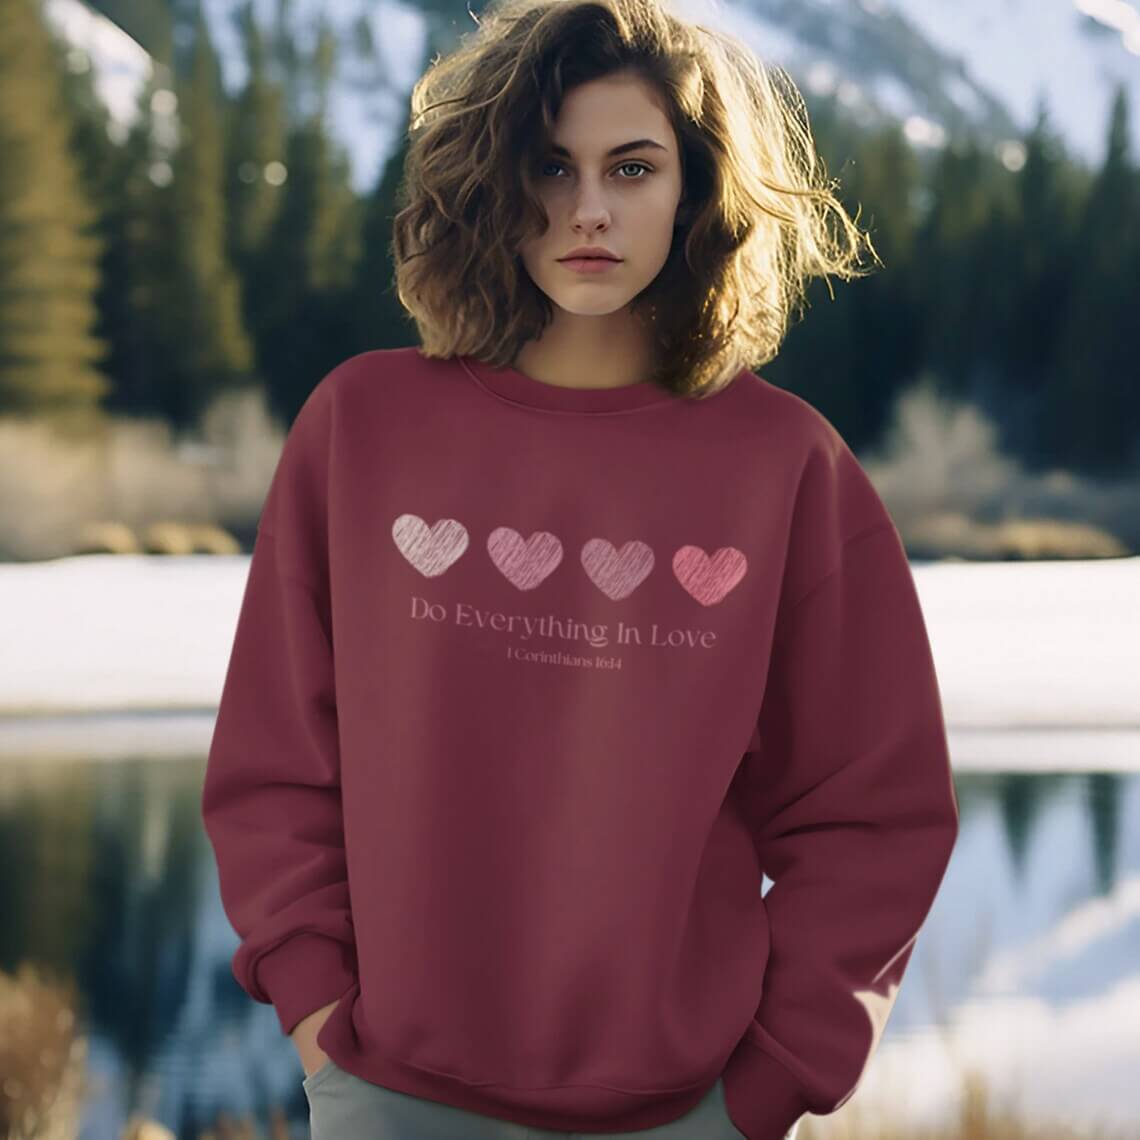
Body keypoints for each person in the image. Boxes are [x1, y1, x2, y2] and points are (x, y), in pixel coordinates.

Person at [200, 0, 960, 1136]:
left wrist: (766, 1084)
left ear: (695, 192)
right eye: (550, 167)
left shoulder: (785, 464)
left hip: (682, 1108)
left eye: (633, 168)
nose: (588, 210)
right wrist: (320, 1016)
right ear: (492, 183)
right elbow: (278, 764)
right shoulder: (364, 427)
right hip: (393, 1094)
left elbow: (873, 811)